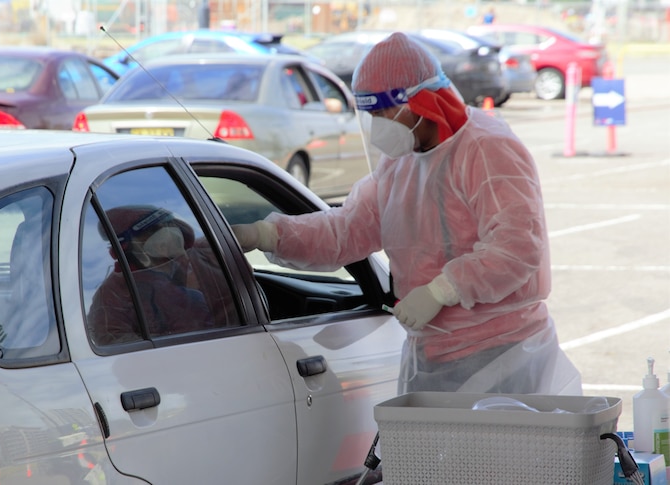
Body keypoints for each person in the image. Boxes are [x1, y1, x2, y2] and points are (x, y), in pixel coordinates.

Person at [231, 32, 581, 395]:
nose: (378, 123)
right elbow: (346, 230)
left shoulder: (486, 148)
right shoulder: (400, 164)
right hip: (431, 353)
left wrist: (443, 289)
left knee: (490, 452)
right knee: (425, 453)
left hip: (502, 351)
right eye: (371, 114)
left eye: (383, 111)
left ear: (421, 101)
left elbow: (518, 247)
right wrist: (265, 235)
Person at [88, 205, 236, 345]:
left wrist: (256, 233)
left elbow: (233, 240)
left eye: (168, 226)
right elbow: (116, 345)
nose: (167, 234)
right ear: (124, 249)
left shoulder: (198, 263)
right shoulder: (112, 296)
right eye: (153, 233)